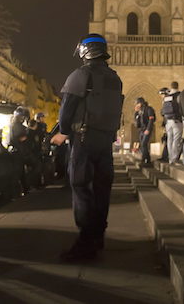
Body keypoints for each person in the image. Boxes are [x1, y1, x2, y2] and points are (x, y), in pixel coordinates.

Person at [50, 33, 123, 260]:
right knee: (102, 189)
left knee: (80, 186)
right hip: (105, 140)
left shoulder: (81, 74)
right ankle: (98, 235)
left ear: (85, 51)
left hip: (84, 138)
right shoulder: (114, 77)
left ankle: (85, 241)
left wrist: (63, 132)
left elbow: (67, 109)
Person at [161, 81, 183, 164]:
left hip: (168, 121)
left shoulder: (167, 97)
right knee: (176, 139)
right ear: (177, 86)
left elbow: (163, 110)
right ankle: (174, 158)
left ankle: (170, 158)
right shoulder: (178, 95)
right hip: (176, 120)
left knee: (169, 139)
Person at [134, 97, 155, 166]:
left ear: (141, 103)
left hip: (147, 129)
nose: (136, 105)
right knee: (143, 145)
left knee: (144, 144)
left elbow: (151, 119)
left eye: (137, 103)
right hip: (141, 130)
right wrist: (136, 114)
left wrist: (148, 129)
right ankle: (147, 159)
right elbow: (137, 123)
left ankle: (144, 160)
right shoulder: (139, 112)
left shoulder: (149, 109)